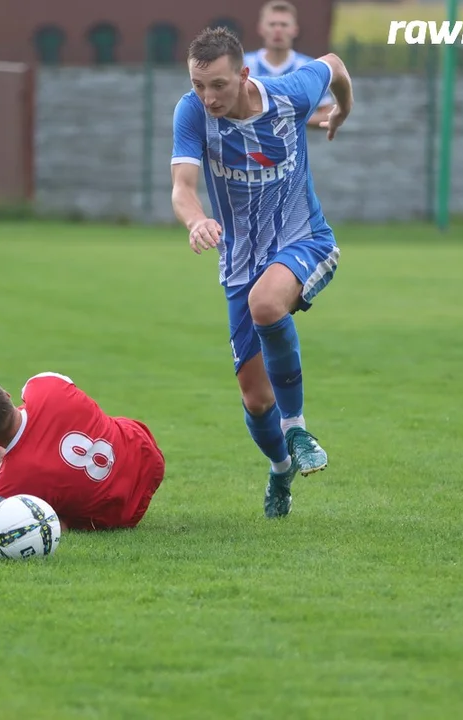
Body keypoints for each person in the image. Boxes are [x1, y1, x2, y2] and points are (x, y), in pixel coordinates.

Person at [169, 26, 352, 518]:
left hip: (306, 242)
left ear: (244, 75)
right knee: (254, 399)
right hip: (239, 264)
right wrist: (196, 220)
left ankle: (297, 428)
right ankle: (280, 468)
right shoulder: (191, 112)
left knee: (267, 303)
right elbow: (183, 187)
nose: (208, 97)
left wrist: (344, 109)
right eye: (198, 84)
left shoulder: (289, 95)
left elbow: (333, 63)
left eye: (219, 86)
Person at [0, 371, 166, 531]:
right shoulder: (47, 386)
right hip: (146, 455)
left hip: (124, 513)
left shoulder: (9, 484)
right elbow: (38, 422)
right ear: (7, 394)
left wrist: (5, 458)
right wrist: (3, 456)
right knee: (91, 418)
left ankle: (60, 521)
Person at [242, 0, 335, 129]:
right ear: (261, 29)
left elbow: (327, 114)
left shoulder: (309, 67)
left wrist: (288, 120)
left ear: (295, 30)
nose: (278, 30)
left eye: (284, 25)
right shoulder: (242, 64)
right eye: (272, 24)